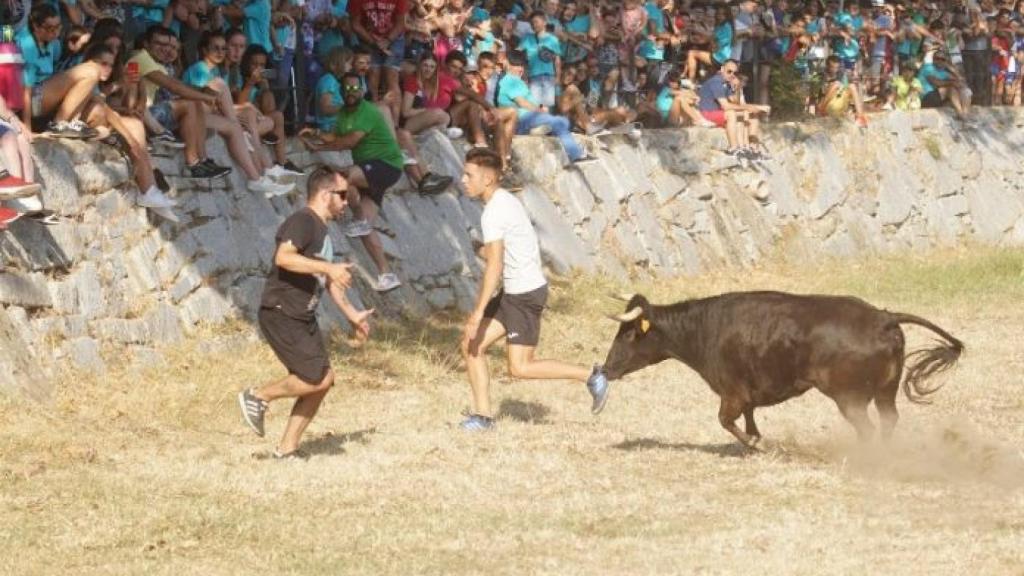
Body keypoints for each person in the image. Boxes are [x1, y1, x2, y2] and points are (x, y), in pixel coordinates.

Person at [458, 147, 609, 431]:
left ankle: (592, 375)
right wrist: (481, 249)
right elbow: (499, 255)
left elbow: (494, 268)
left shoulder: (493, 212)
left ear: (488, 179)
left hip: (524, 295)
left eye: (469, 175)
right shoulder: (503, 201)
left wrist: (477, 313)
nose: (463, 180)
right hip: (515, 292)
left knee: (520, 367)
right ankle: (482, 417)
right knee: (471, 346)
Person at [238, 165, 374, 459]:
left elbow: (328, 280)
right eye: (342, 195)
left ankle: (287, 449)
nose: (347, 202)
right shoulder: (303, 221)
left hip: (302, 315)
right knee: (317, 379)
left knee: (322, 381)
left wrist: (352, 314)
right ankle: (258, 395)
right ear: (326, 195)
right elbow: (284, 258)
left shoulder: (320, 229)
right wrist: (328, 267)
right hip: (281, 311)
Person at [300, 72, 451, 292]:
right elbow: (335, 136)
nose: (351, 92)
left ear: (362, 90)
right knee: (363, 227)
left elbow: (350, 141)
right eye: (347, 89)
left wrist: (319, 148)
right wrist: (314, 133)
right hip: (370, 170)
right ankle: (386, 274)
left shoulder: (368, 111)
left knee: (343, 178)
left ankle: (352, 215)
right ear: (341, 92)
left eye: (355, 88)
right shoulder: (343, 114)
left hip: (385, 165)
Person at [696, 59, 770, 159]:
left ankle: (752, 149)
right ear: (722, 69)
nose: (732, 74)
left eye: (735, 72)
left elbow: (735, 102)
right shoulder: (716, 82)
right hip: (707, 113)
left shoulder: (726, 83)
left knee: (752, 115)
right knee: (732, 113)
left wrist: (736, 87)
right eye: (729, 71)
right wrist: (752, 107)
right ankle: (734, 148)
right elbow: (726, 106)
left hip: (718, 113)